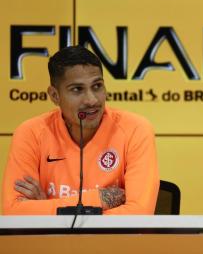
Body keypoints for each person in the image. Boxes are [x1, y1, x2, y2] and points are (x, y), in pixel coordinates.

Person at [2, 45, 159, 215]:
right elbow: (14, 212)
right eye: (77, 89)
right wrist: (100, 199)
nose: (92, 100)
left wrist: (47, 209)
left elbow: (139, 213)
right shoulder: (30, 133)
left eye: (97, 86)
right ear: (55, 96)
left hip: (115, 242)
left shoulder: (135, 130)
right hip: (51, 243)